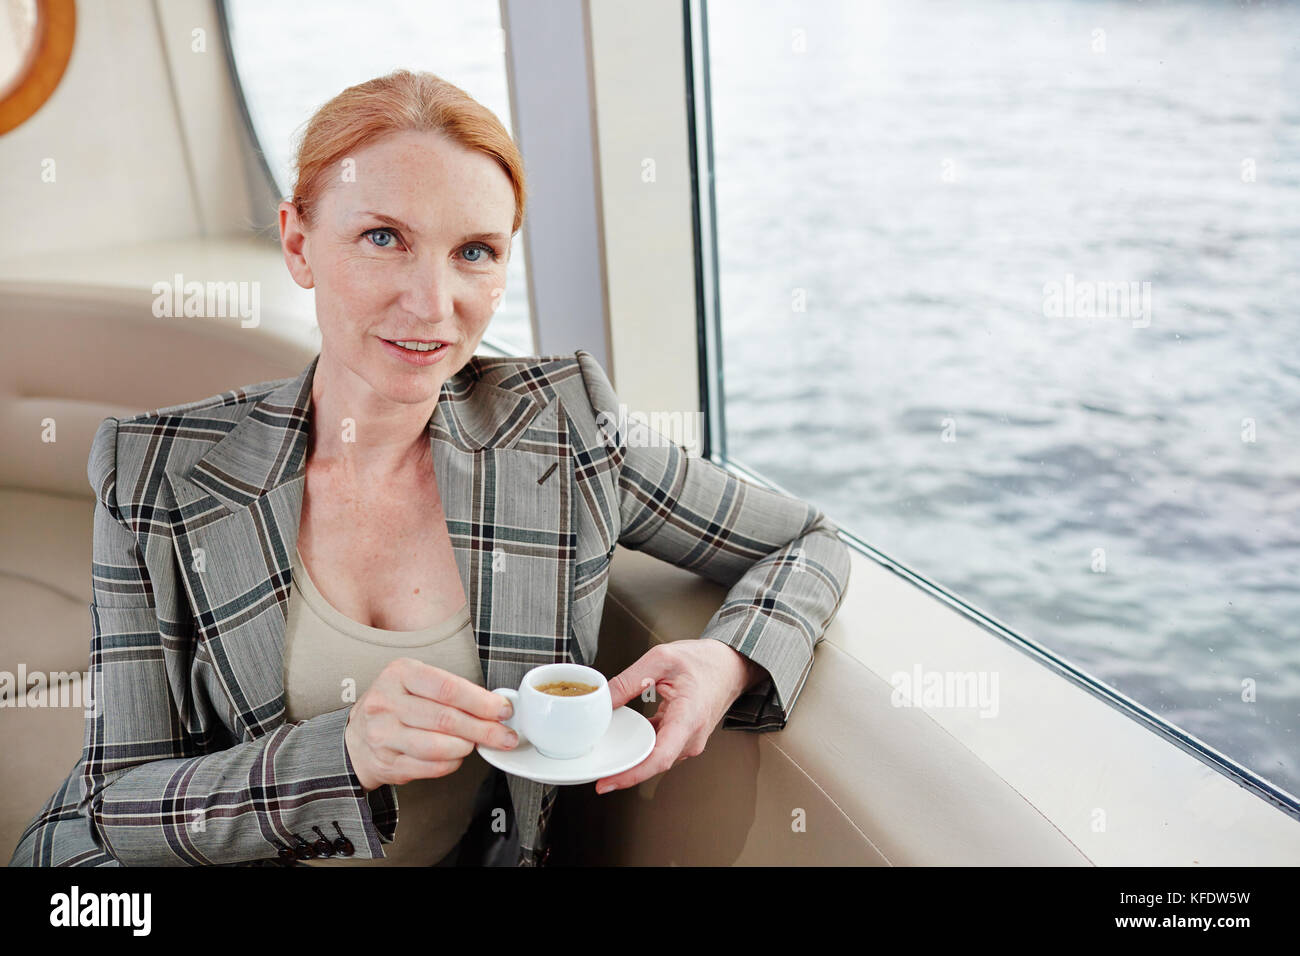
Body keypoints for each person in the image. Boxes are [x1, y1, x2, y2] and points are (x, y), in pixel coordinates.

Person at [8, 70, 851, 867]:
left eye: (475, 251)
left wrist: (725, 661)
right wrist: (342, 752)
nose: (432, 303)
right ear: (299, 244)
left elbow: (806, 539)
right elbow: (122, 805)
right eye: (384, 238)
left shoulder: (564, 432)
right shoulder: (154, 471)